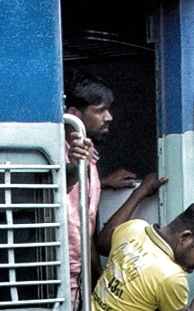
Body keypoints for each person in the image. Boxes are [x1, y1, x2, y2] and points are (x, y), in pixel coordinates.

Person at [64, 80, 162, 294]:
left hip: (78, 280)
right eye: (100, 110)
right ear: (74, 115)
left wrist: (102, 182)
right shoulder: (62, 158)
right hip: (63, 278)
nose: (109, 117)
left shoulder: (89, 160)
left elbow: (83, 227)